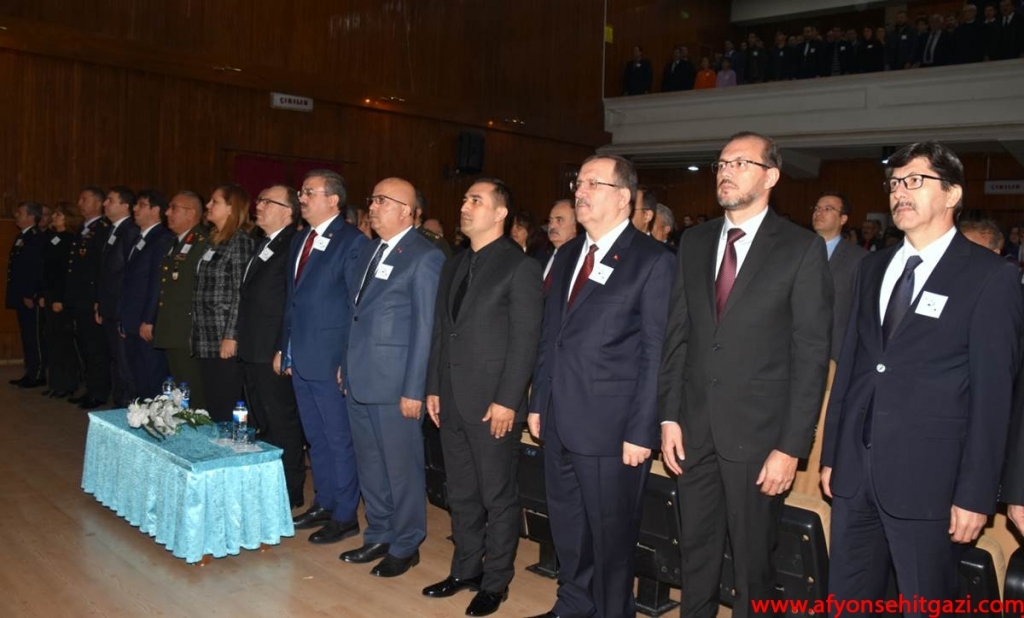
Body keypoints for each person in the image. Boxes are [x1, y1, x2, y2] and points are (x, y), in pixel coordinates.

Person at [821, 141, 1023, 614]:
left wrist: (975, 494)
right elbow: (853, 366)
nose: (900, 192)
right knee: (847, 602)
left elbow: (994, 397)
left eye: (915, 181)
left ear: (952, 194)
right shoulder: (873, 266)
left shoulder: (989, 277)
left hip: (931, 481)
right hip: (856, 472)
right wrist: (833, 455)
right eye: (894, 183)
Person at [659, 132, 833, 618]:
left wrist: (791, 447)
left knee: (753, 568)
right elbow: (678, 335)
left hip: (760, 439)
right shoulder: (694, 242)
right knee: (695, 556)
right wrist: (669, 416)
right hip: (694, 429)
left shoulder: (800, 248)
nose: (726, 172)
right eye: (721, 163)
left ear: (771, 176)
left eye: (740, 163)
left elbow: (810, 357)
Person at [528, 154, 675, 618]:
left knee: (612, 539)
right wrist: (539, 400)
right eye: (579, 183)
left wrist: (642, 430)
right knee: (568, 526)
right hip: (559, 417)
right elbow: (551, 335)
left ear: (623, 197)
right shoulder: (569, 253)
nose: (581, 191)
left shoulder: (652, 260)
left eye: (594, 183)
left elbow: (656, 353)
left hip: (613, 429)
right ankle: (573, 603)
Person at [423, 178, 542, 616]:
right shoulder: (454, 264)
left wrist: (508, 400)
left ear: (500, 213)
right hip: (452, 397)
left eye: (476, 200)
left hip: (493, 403)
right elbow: (442, 332)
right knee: (461, 493)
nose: (465, 206)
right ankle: (465, 570)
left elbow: (525, 342)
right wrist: (433, 386)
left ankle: (495, 582)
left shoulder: (519, 266)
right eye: (464, 199)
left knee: (497, 496)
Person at [341, 177, 444, 578]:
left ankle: (406, 543)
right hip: (360, 376)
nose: (372, 206)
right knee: (370, 464)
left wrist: (414, 389)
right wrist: (345, 363)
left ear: (406, 210)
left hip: (396, 384)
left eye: (382, 200)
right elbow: (356, 314)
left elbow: (425, 329)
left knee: (402, 470)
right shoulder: (370, 249)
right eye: (372, 198)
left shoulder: (424, 256)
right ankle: (379, 533)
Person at [282, 170, 369, 544]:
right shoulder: (301, 238)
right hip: (301, 354)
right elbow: (293, 301)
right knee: (315, 437)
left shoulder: (352, 241)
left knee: (338, 438)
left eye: (309, 192)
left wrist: (346, 361)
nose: (301, 198)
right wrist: (284, 348)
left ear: (333, 200)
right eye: (301, 192)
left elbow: (356, 307)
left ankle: (346, 514)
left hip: (330, 358)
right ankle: (325, 501)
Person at [235, 185, 307, 509]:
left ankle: (290, 491)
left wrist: (282, 347)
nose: (259, 205)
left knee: (282, 422)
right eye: (259, 198)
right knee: (262, 421)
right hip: (253, 347)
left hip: (272, 351)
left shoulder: (292, 244)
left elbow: (292, 303)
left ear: (288, 211)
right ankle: (268, 485)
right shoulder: (263, 243)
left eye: (267, 201)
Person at [192, 184, 255, 421]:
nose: (208, 205)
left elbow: (241, 292)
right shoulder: (214, 240)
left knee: (226, 401)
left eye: (215, 201)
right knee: (213, 400)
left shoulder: (240, 242)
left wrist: (232, 335)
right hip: (206, 334)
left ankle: (229, 442)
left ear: (231, 208)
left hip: (223, 335)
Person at [153, 191, 209, 410]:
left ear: (191, 213)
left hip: (186, 328)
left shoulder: (201, 242)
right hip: (172, 327)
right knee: (179, 386)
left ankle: (197, 425)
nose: (167, 213)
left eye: (174, 208)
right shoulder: (177, 241)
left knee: (192, 387)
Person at [119, 189, 173, 400]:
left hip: (145, 321)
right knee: (137, 374)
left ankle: (154, 415)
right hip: (132, 318)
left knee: (152, 375)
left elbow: (156, 282)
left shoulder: (162, 238)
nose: (135, 209)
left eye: (141, 205)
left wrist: (148, 319)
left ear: (156, 210)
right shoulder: (139, 238)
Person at [65, 187, 112, 409]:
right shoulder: (84, 229)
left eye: (84, 199)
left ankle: (98, 392)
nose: (79, 203)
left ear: (98, 203)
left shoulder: (102, 229)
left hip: (90, 299)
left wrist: (96, 300)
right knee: (85, 346)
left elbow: (100, 269)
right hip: (79, 298)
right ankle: (91, 388)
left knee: (96, 348)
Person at [97, 186, 141, 406]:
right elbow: (104, 272)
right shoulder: (112, 230)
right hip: (109, 305)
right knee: (116, 358)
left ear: (125, 206)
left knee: (125, 362)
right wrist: (100, 302)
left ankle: (128, 405)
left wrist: (122, 309)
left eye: (110, 200)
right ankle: (119, 401)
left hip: (120, 307)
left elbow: (126, 273)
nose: (105, 204)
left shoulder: (130, 230)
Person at [812, 192, 867, 361]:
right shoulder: (795, 251)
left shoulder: (859, 259)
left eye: (828, 209)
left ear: (843, 219)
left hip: (834, 351)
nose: (819, 213)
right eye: (817, 208)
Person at [39, 203, 81, 399]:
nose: (53, 217)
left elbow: (65, 274)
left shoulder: (71, 240)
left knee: (64, 341)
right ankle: (56, 382)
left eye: (58, 214)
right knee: (52, 340)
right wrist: (42, 294)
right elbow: (46, 270)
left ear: (68, 218)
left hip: (60, 297)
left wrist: (59, 299)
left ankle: (68, 383)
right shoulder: (52, 238)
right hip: (48, 294)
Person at [6, 201, 45, 388]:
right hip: (21, 294)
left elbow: (36, 269)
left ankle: (37, 374)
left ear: (31, 216)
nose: (16, 215)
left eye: (20, 212)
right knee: (27, 336)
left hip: (30, 297)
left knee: (33, 336)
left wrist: (31, 293)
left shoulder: (35, 237)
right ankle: (30, 371)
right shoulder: (23, 236)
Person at [541, 199, 578, 292]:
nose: (552, 226)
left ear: (575, 226)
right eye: (550, 220)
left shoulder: (580, 261)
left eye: (559, 220)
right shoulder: (540, 256)